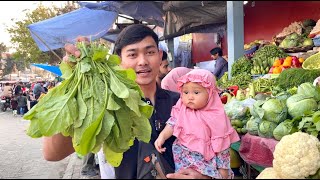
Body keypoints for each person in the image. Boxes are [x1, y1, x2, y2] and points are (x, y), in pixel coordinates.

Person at [43, 24, 210, 179]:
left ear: (160, 57)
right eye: (132, 54)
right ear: (119, 62)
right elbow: (52, 153)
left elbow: (217, 152)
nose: (143, 61)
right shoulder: (107, 108)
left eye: (150, 52)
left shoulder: (182, 103)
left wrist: (205, 176)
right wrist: (72, 84)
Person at [154, 69, 240, 179]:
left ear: (210, 94)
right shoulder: (182, 108)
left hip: (205, 165)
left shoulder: (216, 116)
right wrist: (162, 136)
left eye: (196, 92)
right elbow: (173, 122)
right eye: (185, 92)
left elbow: (222, 146)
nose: (190, 97)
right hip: (183, 159)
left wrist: (223, 172)